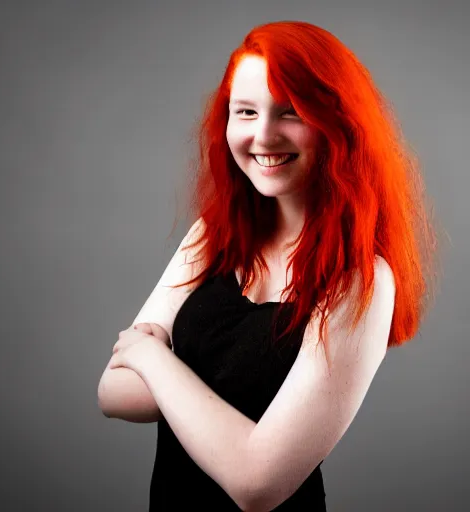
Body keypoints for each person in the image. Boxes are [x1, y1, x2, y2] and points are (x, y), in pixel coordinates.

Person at [97, 20, 439, 511]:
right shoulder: (212, 236)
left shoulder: (361, 280)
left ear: (335, 121)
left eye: (290, 112)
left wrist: (152, 357)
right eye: (246, 111)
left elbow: (257, 484)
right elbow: (113, 393)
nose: (263, 136)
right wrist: (230, 429)